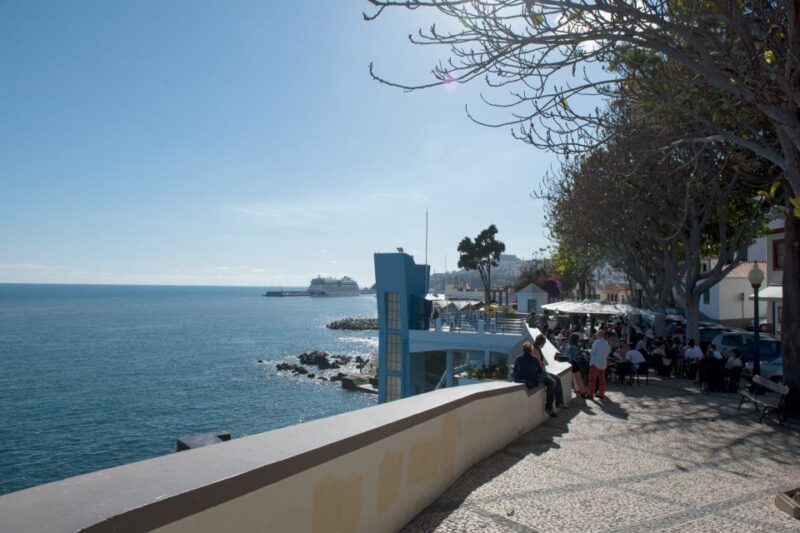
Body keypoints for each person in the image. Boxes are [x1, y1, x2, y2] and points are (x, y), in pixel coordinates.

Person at [513, 341, 557, 417]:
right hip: (533, 382)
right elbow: (540, 371)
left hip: (521, 380)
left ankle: (550, 407)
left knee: (512, 372)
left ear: (523, 350)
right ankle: (549, 407)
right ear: (531, 350)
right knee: (551, 381)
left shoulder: (518, 358)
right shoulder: (534, 358)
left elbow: (515, 370)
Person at [532, 334, 566, 410]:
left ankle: (559, 402)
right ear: (541, 342)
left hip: (542, 371)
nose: (544, 345)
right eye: (544, 343)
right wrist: (544, 372)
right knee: (552, 382)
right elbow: (537, 365)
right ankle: (549, 407)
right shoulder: (534, 350)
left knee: (557, 378)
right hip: (538, 373)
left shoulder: (537, 349)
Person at [562, 333, 589, 399]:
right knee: (579, 379)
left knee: (571, 380)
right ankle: (583, 392)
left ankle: (580, 391)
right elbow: (575, 356)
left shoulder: (568, 345)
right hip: (574, 363)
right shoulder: (575, 347)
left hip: (567, 363)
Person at [588, 329, 611, 400]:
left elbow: (592, 352)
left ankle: (590, 394)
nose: (596, 336)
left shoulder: (596, 342)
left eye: (597, 335)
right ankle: (601, 393)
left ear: (599, 335)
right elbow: (608, 353)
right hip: (603, 363)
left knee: (592, 379)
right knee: (602, 380)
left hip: (595, 363)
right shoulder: (607, 344)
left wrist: (589, 351)